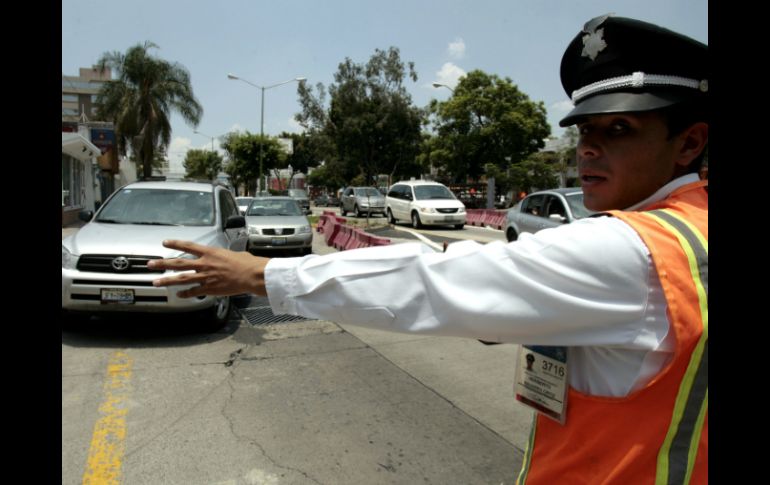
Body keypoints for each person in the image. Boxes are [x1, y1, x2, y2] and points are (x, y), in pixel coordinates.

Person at [148, 14, 707, 484]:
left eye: (619, 130)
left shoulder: (637, 250)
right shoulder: (690, 232)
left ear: (690, 143)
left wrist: (263, 275)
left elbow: (435, 279)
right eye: (585, 131)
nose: (588, 151)